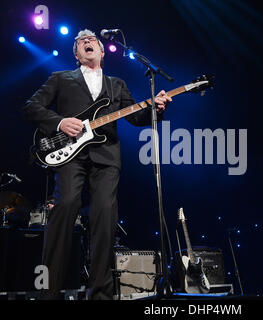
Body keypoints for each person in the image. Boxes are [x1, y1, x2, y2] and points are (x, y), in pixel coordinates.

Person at [23, 29, 172, 300]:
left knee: (104, 218)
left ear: (103, 52)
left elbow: (136, 118)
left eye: (92, 40)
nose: (87, 42)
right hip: (70, 155)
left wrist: (156, 109)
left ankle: (100, 295)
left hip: (107, 157)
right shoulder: (60, 78)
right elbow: (32, 106)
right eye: (81, 41)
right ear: (75, 54)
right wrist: (59, 122)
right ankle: (48, 292)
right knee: (65, 206)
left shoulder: (117, 84)